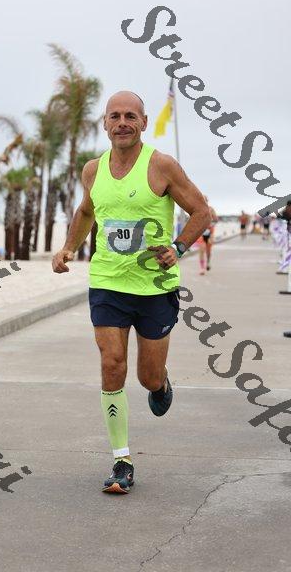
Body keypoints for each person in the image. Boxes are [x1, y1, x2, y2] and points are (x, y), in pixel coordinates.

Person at [52, 91, 211, 494]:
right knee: (112, 365)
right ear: (104, 123)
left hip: (154, 287)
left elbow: (202, 211)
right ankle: (121, 460)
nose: (122, 123)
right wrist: (69, 247)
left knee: (146, 376)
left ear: (143, 122)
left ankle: (160, 384)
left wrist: (178, 248)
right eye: (114, 116)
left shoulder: (161, 166)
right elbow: (87, 211)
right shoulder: (93, 170)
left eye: (130, 116)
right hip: (108, 283)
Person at [195, 196, 218, 274]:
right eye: (202, 199)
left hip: (210, 233)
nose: (203, 201)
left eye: (205, 200)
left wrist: (210, 225)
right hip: (201, 233)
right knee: (201, 250)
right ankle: (202, 268)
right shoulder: (197, 209)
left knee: (208, 251)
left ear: (207, 201)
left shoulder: (211, 209)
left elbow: (216, 220)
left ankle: (208, 262)